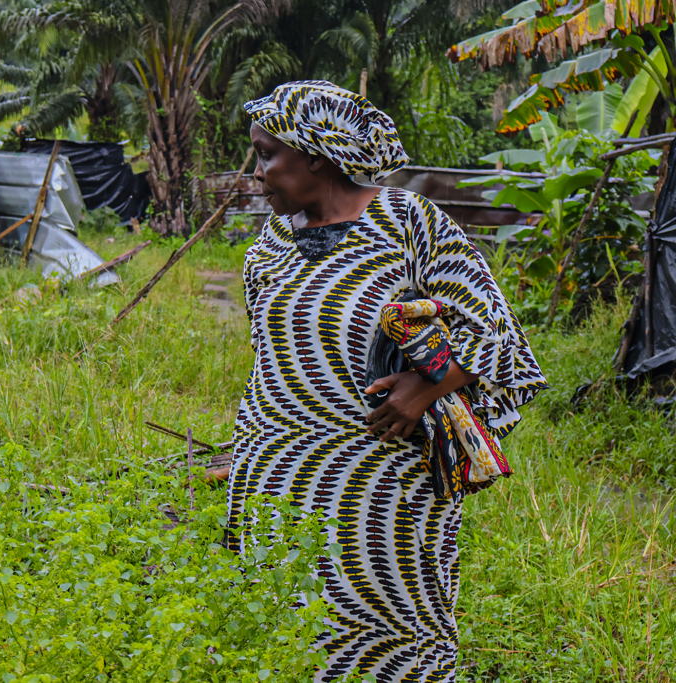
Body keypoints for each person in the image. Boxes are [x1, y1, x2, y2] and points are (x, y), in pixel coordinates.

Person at [226, 81, 547, 682]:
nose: (258, 172)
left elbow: (496, 332)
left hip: (383, 481)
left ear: (316, 153)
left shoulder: (407, 222)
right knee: (286, 625)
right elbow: (270, 358)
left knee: (392, 624)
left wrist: (427, 387)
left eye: (267, 154)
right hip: (278, 474)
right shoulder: (267, 247)